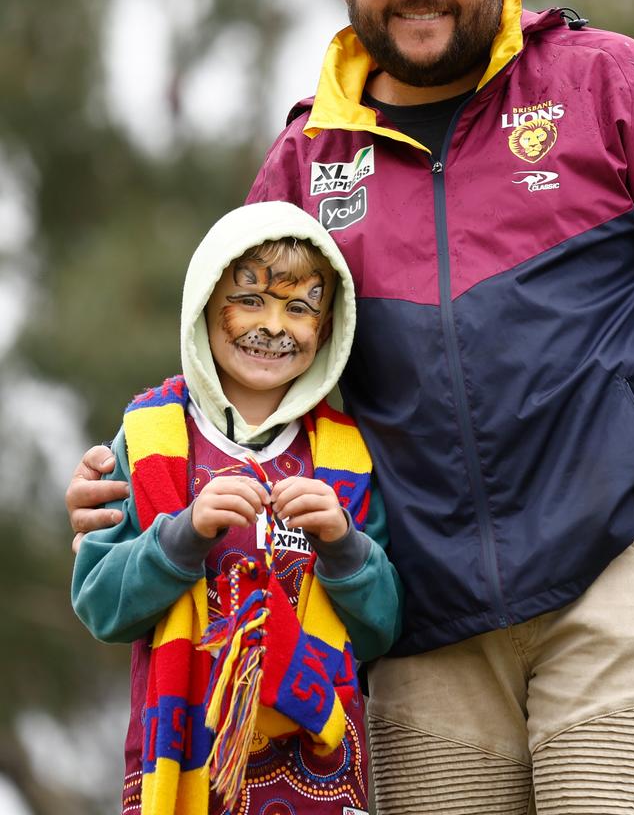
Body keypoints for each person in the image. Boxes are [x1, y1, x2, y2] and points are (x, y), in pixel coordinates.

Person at [67, 0, 634, 814]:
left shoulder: (615, 86)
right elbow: (241, 367)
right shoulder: (306, 163)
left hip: (618, 561)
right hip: (415, 608)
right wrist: (133, 482)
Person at [71, 200, 402, 815]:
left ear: (328, 328)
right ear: (204, 302)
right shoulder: (147, 442)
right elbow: (98, 602)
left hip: (319, 774)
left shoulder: (345, 458)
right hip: (181, 763)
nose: (273, 325)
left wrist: (343, 546)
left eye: (300, 306)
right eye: (249, 299)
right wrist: (184, 534)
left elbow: (381, 626)